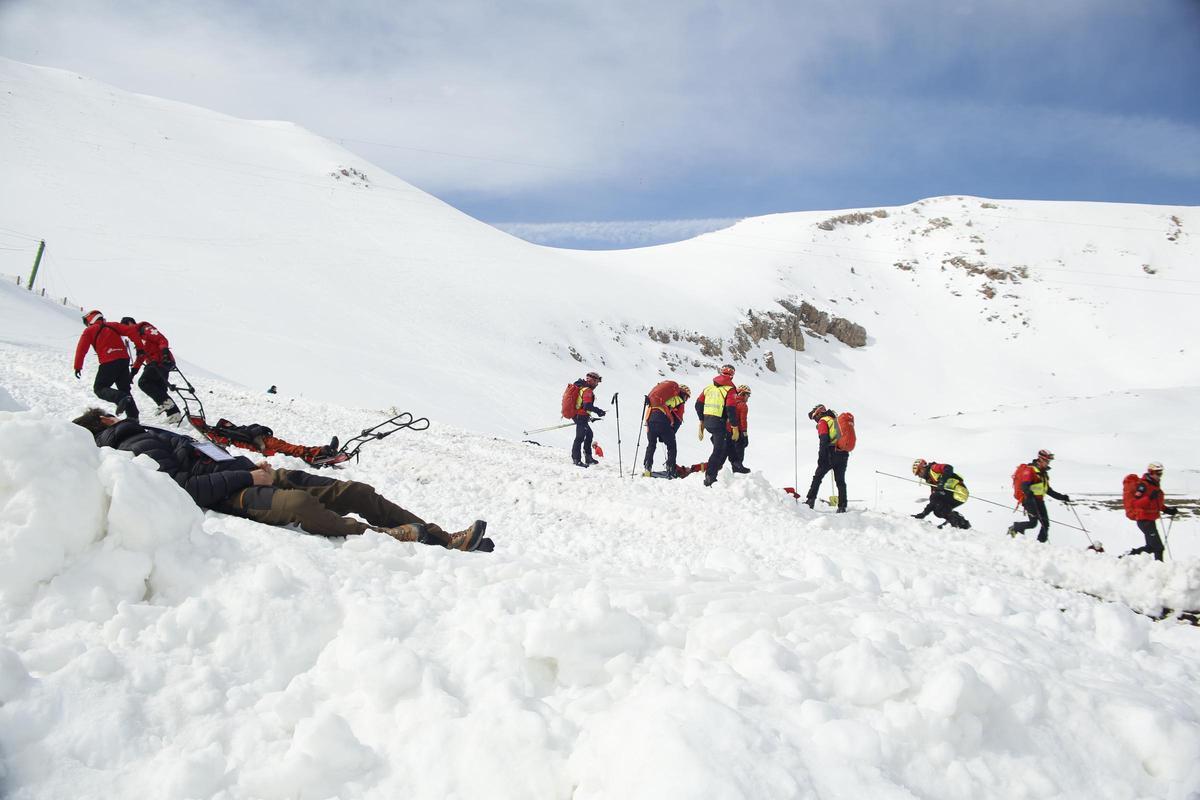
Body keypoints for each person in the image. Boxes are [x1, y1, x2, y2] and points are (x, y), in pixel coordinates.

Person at [72, 409, 491, 551]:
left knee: (355, 491)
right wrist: (248, 475)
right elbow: (184, 487)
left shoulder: (147, 434)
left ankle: (443, 537)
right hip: (235, 492)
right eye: (110, 414)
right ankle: (388, 536)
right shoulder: (134, 445)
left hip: (249, 472)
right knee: (303, 507)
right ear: (104, 422)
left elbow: (205, 457)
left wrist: (253, 466)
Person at [73, 310, 143, 419]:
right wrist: (140, 347)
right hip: (124, 360)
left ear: (90, 320)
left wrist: (77, 367)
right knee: (124, 389)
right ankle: (133, 416)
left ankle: (120, 398)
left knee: (99, 388)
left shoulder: (89, 330)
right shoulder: (113, 325)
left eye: (86, 322)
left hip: (109, 360)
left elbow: (81, 349)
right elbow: (131, 331)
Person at [120, 317, 182, 424]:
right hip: (156, 362)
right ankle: (174, 414)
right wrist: (133, 372)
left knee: (144, 382)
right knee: (159, 388)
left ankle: (166, 404)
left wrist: (165, 353)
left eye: (125, 328)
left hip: (161, 361)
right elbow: (141, 356)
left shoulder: (145, 329)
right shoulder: (138, 338)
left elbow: (161, 339)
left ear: (130, 323)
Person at [1008, 449, 1071, 542]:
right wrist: (1029, 493)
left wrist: (1062, 497)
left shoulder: (1043, 473)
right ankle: (1015, 527)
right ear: (1041, 459)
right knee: (1033, 523)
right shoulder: (1030, 470)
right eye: (1047, 461)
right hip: (1029, 500)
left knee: (1045, 524)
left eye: (1049, 461)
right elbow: (1024, 486)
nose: (1048, 463)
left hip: (1039, 501)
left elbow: (1048, 490)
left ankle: (1040, 544)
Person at [694, 365, 740, 487]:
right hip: (719, 423)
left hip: (708, 422)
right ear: (732, 375)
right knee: (718, 451)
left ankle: (715, 468)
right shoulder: (730, 389)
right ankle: (710, 477)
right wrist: (735, 426)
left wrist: (702, 420)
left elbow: (698, 405)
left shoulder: (708, 388)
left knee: (722, 445)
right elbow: (731, 409)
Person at [1124, 462, 1178, 561]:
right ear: (1151, 472)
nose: (1160, 475)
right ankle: (1159, 567)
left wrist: (1167, 510)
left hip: (1149, 520)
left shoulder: (1154, 485)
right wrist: (1149, 498)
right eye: (1158, 473)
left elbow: (1156, 503)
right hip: (1144, 520)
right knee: (1158, 547)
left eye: (1161, 473)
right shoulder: (1143, 486)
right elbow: (1136, 504)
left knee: (1150, 547)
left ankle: (1128, 555)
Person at [803, 403, 848, 512]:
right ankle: (842, 507)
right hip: (843, 453)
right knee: (840, 481)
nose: (816, 420)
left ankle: (810, 501)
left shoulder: (823, 421)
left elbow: (824, 440)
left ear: (818, 414)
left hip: (830, 453)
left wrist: (821, 457)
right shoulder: (835, 420)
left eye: (815, 417)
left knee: (817, 477)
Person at [641, 380, 690, 478]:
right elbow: (677, 419)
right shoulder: (678, 400)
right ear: (682, 393)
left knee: (651, 445)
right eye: (686, 397)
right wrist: (670, 432)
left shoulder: (661, 398)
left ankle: (647, 468)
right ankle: (671, 470)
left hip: (650, 420)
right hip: (662, 421)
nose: (685, 400)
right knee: (671, 447)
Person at [911, 459, 971, 529]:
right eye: (917, 474)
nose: (919, 476)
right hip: (955, 496)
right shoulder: (931, 481)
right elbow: (933, 502)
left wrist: (942, 482)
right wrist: (923, 514)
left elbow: (948, 467)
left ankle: (955, 522)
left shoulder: (933, 468)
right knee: (938, 511)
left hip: (958, 490)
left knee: (935, 497)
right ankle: (961, 524)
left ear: (923, 467)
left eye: (919, 472)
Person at [570, 371, 606, 468]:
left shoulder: (584, 388)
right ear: (592, 381)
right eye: (596, 382)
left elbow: (583, 405)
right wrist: (599, 411)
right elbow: (587, 406)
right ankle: (576, 459)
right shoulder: (587, 391)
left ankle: (588, 457)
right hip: (580, 416)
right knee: (580, 437)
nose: (597, 384)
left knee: (589, 434)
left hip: (581, 416)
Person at [728, 384, 751, 474]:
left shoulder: (731, 402)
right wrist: (745, 435)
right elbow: (743, 421)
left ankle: (735, 466)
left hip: (728, 430)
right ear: (743, 394)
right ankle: (738, 467)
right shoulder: (743, 405)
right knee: (740, 447)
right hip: (738, 430)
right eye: (748, 395)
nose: (748, 397)